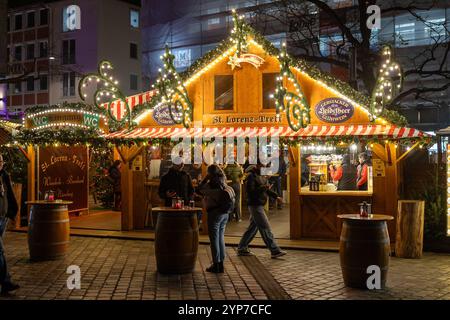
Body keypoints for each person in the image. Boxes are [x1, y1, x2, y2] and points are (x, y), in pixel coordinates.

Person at [237, 163, 286, 259]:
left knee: (252, 228)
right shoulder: (251, 176)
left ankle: (242, 248)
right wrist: (263, 188)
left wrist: (276, 196)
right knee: (265, 227)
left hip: (259, 203)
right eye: (264, 167)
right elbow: (250, 192)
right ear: (258, 166)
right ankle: (274, 250)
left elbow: (266, 189)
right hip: (255, 204)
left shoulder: (261, 175)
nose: (265, 169)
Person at [198, 165, 235, 273]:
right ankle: (221, 263)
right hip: (225, 213)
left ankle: (216, 264)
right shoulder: (224, 183)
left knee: (214, 239)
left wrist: (205, 178)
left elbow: (199, 190)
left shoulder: (211, 186)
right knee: (220, 238)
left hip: (215, 213)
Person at [0, 155, 20, 295]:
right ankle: (6, 282)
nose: (0, 163)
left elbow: (9, 194)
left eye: (1, 161)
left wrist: (12, 212)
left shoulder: (4, 175)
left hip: (2, 218)